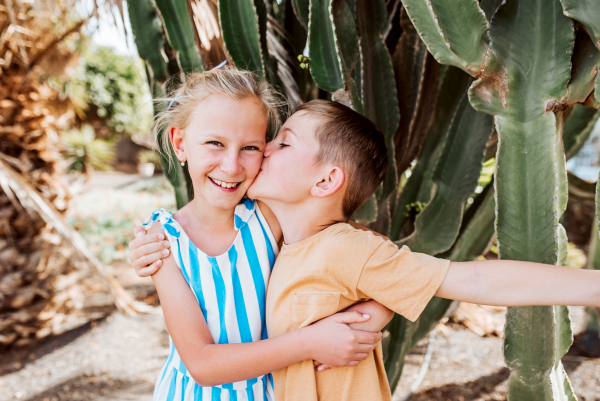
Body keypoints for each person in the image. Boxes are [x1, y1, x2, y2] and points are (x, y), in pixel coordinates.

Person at [133, 98, 600, 401]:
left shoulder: (339, 247)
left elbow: (469, 278)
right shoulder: (272, 235)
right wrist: (372, 309)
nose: (261, 154)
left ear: (326, 180)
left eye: (277, 142)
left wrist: (593, 287)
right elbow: (387, 271)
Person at [136, 67, 393, 401]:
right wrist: (312, 342)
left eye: (250, 148)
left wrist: (362, 327)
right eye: (215, 143)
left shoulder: (270, 218)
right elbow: (202, 363)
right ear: (180, 143)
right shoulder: (162, 242)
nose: (231, 166)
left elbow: (382, 263)